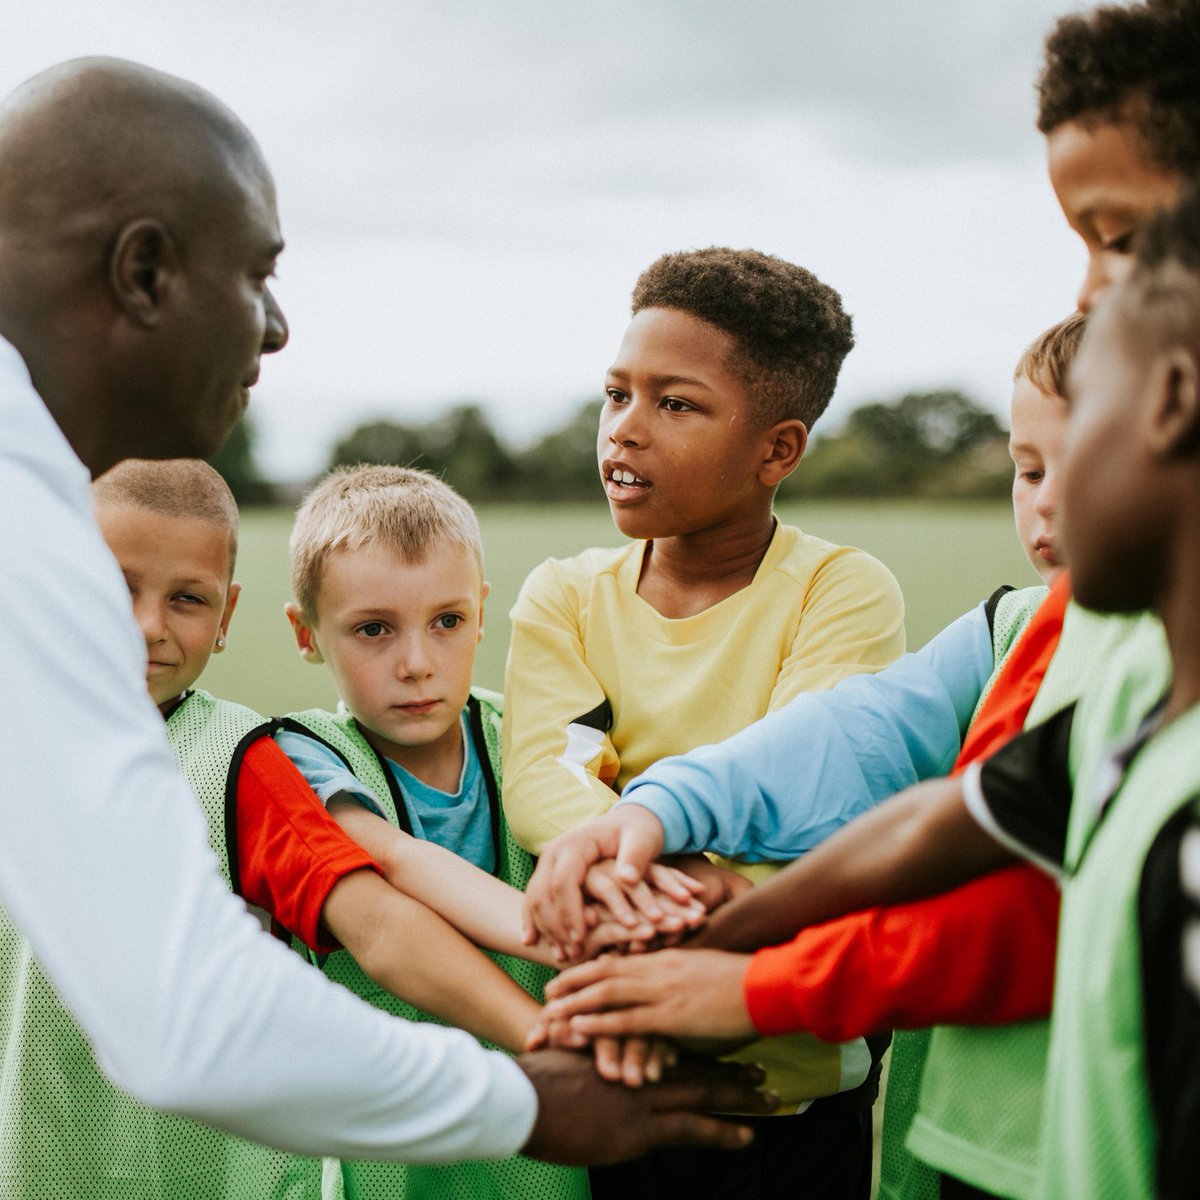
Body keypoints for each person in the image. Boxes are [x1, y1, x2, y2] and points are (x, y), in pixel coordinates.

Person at [0, 55, 770, 1170]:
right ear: (145, 272)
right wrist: (529, 1100)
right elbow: (182, 1011)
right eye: (258, 272)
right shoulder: (29, 541)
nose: (277, 327)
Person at [545, 192, 1200, 1198]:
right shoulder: (1018, 627)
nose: (1045, 499)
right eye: (1026, 469)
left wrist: (752, 979)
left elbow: (1036, 915)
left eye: (1073, 457)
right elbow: (875, 754)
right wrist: (661, 813)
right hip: (948, 1143)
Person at [503, 246, 907, 1199]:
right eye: (616, 395)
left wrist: (648, 864)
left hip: (798, 1084)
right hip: (618, 1072)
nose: (625, 432)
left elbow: (809, 785)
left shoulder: (839, 591)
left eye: (675, 404)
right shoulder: (563, 596)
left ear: (777, 449)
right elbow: (544, 777)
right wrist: (679, 876)